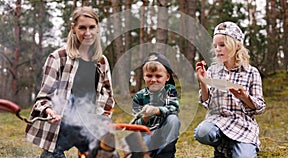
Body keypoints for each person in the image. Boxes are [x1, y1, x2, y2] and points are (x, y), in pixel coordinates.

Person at [25, 6, 116, 158]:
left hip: (90, 124)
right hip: (62, 125)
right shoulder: (58, 58)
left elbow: (108, 96)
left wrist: (101, 117)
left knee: (109, 154)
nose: (88, 33)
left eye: (92, 27)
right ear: (73, 28)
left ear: (98, 28)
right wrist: (50, 111)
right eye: (82, 28)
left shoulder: (101, 61)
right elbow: (43, 98)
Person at [194, 21, 266, 158]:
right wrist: (203, 82)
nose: (218, 49)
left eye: (222, 45)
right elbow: (206, 102)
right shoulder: (213, 71)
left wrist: (245, 97)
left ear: (237, 46)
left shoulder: (251, 72)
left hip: (242, 126)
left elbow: (260, 107)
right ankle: (222, 143)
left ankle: (235, 148)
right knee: (202, 132)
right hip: (218, 122)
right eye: (215, 46)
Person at [131, 52, 181, 158]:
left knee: (173, 119)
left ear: (167, 77)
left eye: (158, 76)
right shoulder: (139, 96)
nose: (153, 80)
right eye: (149, 76)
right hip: (147, 135)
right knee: (137, 151)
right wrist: (145, 117)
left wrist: (156, 110)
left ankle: (165, 155)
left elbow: (174, 108)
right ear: (144, 77)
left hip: (164, 134)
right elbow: (135, 125)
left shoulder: (170, 90)